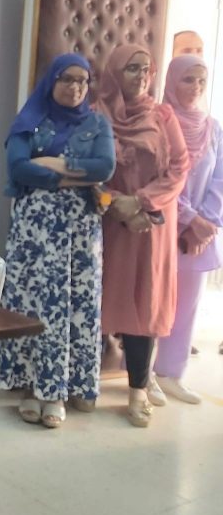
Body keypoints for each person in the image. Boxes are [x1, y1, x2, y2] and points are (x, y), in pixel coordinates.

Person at [0, 54, 115, 429]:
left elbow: (105, 167)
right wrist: (77, 176)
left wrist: (53, 165)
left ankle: (59, 390)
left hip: (79, 232)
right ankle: (32, 386)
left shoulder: (97, 122)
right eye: (67, 79)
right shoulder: (30, 119)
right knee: (36, 302)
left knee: (73, 302)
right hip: (35, 232)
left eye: (82, 81)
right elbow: (18, 167)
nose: (75, 87)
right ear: (52, 81)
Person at [97, 44, 189, 427]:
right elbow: (88, 170)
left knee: (145, 304)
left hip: (150, 224)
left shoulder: (163, 116)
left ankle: (137, 390)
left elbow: (179, 167)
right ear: (115, 73)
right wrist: (115, 204)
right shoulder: (97, 115)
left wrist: (140, 202)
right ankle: (87, 381)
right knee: (104, 297)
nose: (141, 76)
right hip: (110, 223)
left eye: (146, 69)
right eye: (132, 68)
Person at [151, 56, 221, 403]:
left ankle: (172, 374)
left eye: (201, 81)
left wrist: (206, 222)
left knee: (188, 306)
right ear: (171, 80)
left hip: (200, 235)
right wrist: (189, 218)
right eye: (187, 79)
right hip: (163, 227)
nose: (195, 87)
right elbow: (159, 177)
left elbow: (220, 179)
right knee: (154, 303)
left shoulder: (213, 128)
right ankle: (143, 376)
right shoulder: (159, 122)